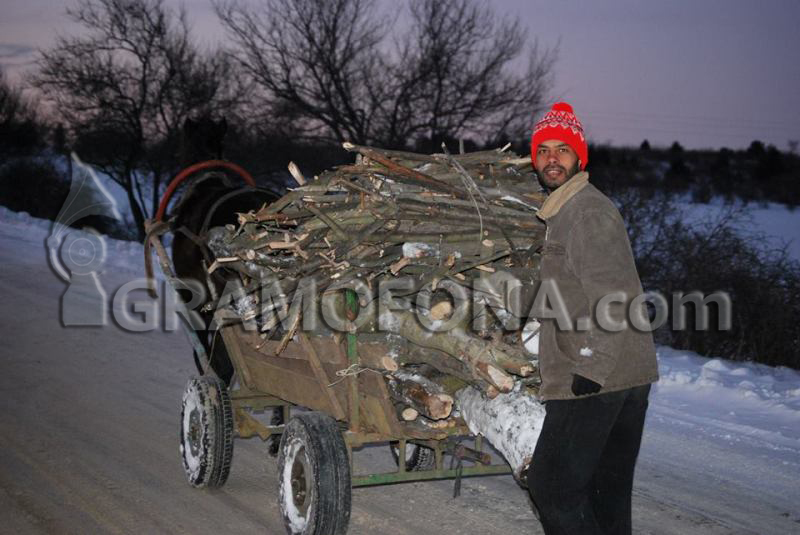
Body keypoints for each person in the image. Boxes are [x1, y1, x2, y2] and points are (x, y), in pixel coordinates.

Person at [526, 102, 659, 535]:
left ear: (580, 157)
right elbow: (572, 288)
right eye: (543, 150)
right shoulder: (565, 211)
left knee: (552, 486)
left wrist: (592, 365)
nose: (552, 159)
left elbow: (616, 296)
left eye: (562, 150)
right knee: (605, 496)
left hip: (596, 377)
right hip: (624, 374)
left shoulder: (587, 212)